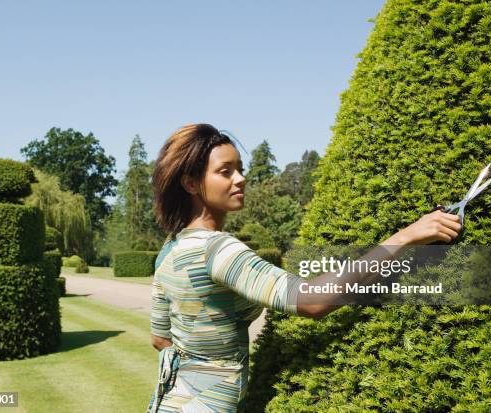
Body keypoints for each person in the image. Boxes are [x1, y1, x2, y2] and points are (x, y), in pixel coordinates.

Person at [146, 123, 462, 412]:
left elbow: (161, 339)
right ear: (190, 183)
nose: (240, 178)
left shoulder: (171, 249)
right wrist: (407, 236)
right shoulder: (218, 250)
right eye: (225, 171)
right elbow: (313, 300)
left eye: (240, 169)